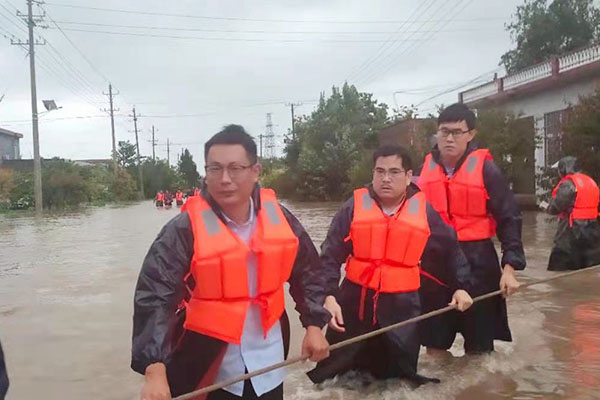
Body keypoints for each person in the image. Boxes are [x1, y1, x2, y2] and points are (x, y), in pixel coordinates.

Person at [132, 124, 331, 400]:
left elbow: (309, 272)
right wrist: (154, 369)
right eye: (214, 169)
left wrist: (313, 326)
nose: (224, 179)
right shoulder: (183, 229)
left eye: (235, 168)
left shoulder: (281, 219)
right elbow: (154, 296)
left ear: (255, 171)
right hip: (208, 362)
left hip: (269, 359)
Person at [307, 145, 473, 386]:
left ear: (408, 176)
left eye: (394, 172)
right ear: (372, 174)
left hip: (402, 307)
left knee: (399, 380)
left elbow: (452, 251)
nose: (385, 178)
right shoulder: (353, 207)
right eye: (380, 171)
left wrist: (461, 287)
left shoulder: (424, 211)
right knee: (334, 377)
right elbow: (329, 255)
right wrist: (329, 297)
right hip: (355, 303)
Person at [417, 103, 526, 355]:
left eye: (457, 132)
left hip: (478, 262)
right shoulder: (424, 171)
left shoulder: (487, 169)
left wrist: (509, 269)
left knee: (479, 349)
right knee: (434, 345)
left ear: (471, 135)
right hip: (436, 265)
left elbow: (510, 218)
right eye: (444, 132)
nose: (449, 138)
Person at [543, 156, 600, 270]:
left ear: (563, 169)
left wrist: (546, 206)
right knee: (590, 266)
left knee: (559, 264)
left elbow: (556, 207)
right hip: (593, 230)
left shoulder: (568, 184)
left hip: (571, 230)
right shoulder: (591, 181)